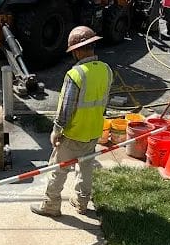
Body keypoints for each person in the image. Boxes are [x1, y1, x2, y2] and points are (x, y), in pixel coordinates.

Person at [31, 26, 113, 217]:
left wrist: (56, 131)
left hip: (74, 133)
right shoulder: (106, 70)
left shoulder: (75, 74)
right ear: (92, 45)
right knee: (85, 169)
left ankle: (51, 205)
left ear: (76, 51)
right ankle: (81, 202)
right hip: (94, 132)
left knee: (57, 170)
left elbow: (66, 109)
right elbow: (104, 101)